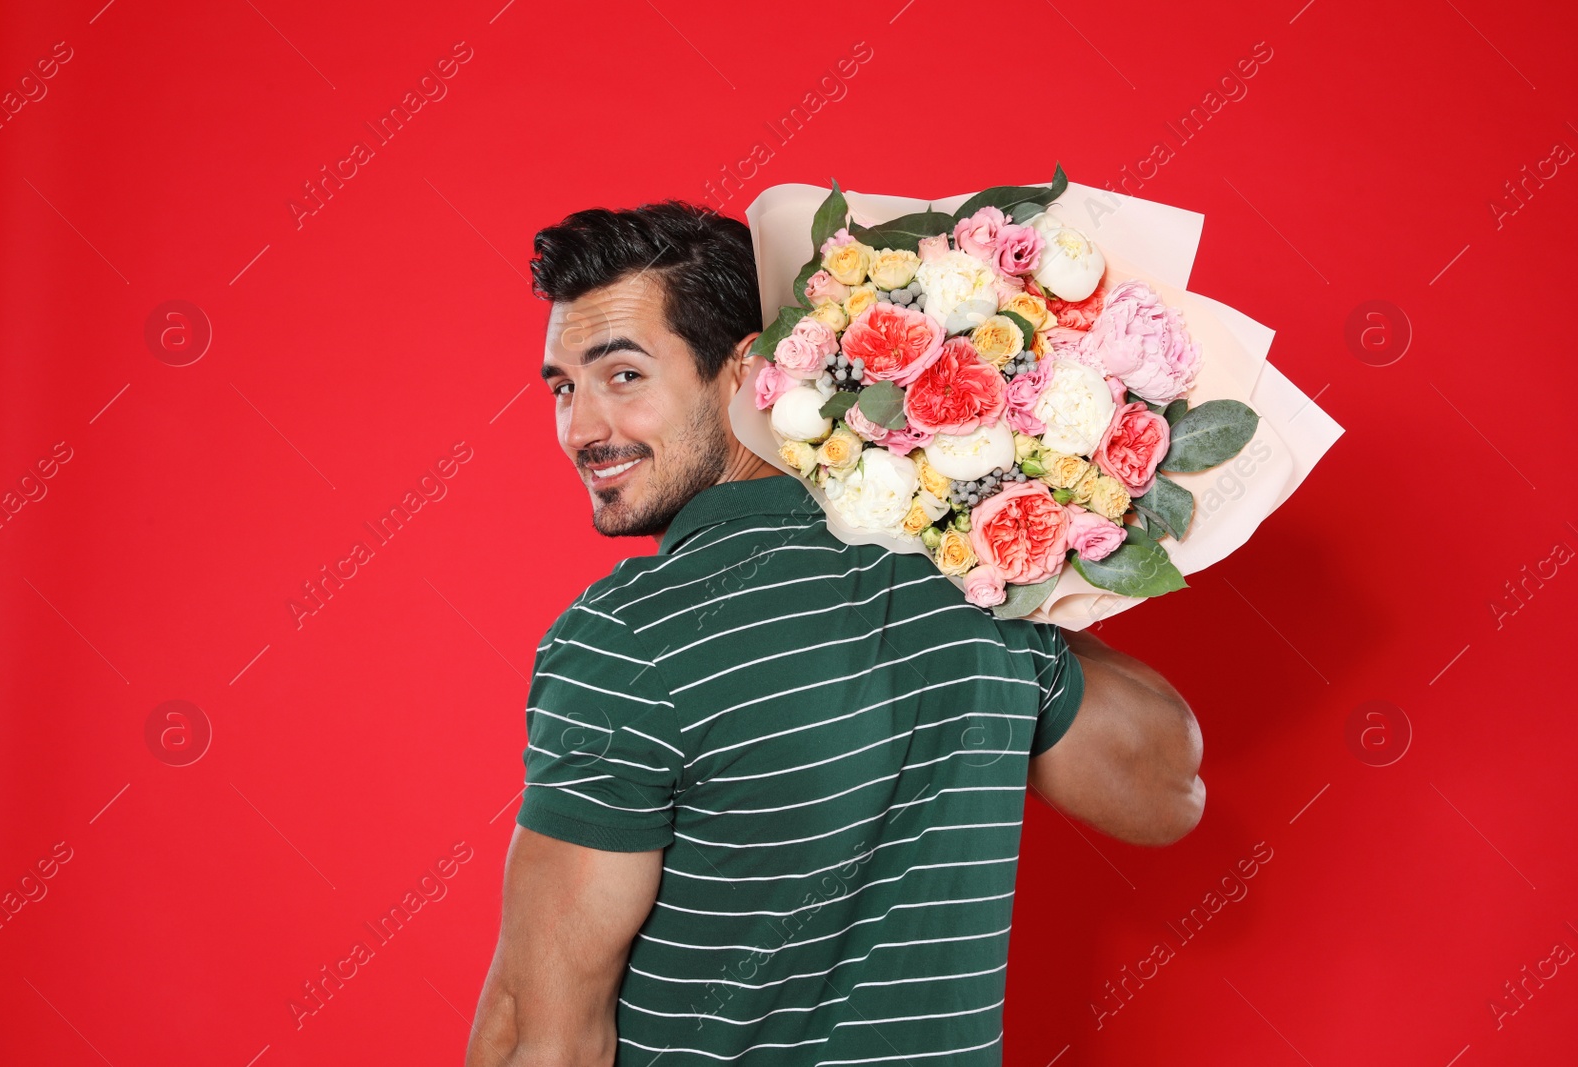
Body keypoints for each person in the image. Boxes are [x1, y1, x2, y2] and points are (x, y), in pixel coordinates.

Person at [465, 200, 1203, 1066]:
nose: (582, 428)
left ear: (746, 371)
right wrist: (1003, 560)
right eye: (562, 386)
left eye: (622, 375)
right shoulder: (973, 591)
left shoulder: (630, 640)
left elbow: (540, 1034)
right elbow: (1172, 793)